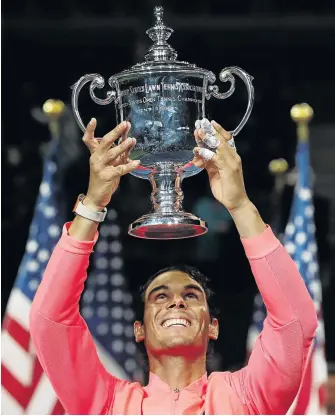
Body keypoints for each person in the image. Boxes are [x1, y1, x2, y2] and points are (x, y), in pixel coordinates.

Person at [30, 118, 317, 415]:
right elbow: (49, 320)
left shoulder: (245, 398)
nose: (177, 301)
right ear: (138, 330)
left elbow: (295, 322)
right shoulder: (109, 404)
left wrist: (240, 205)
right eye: (160, 296)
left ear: (213, 327)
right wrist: (92, 204)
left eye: (192, 296)